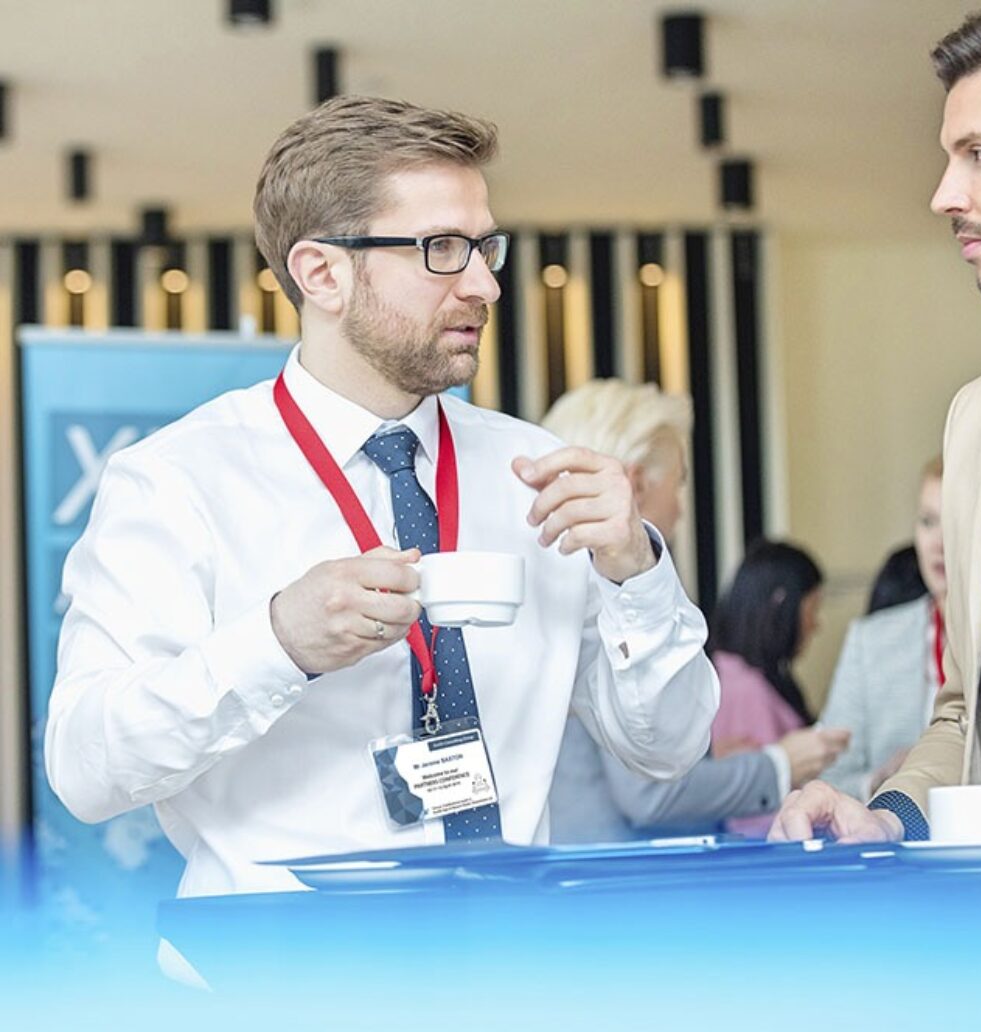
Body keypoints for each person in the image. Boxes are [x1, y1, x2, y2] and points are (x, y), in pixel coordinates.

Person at [43, 96, 719, 899]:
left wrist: (637, 572)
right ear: (321, 273)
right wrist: (276, 642)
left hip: (509, 975)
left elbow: (668, 747)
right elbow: (86, 769)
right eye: (441, 249)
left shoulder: (539, 473)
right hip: (275, 993)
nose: (486, 285)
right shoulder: (179, 482)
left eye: (484, 246)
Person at [770, 5, 981, 843]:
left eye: (979, 155)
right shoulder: (980, 418)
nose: (944, 194)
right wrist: (884, 817)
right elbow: (967, 714)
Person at [543, 380, 845, 842]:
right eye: (679, 483)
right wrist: (779, 764)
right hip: (617, 884)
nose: (682, 509)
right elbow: (649, 796)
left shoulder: (555, 579)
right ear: (636, 484)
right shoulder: (607, 593)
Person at [818, 458, 947, 800]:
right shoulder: (871, 641)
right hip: (893, 837)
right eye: (928, 522)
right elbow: (829, 777)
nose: (939, 543)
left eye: (956, 522)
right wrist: (878, 781)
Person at [709, 540, 850, 836]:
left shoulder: (745, 676)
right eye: (812, 608)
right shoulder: (744, 689)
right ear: (782, 605)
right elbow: (755, 819)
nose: (816, 624)